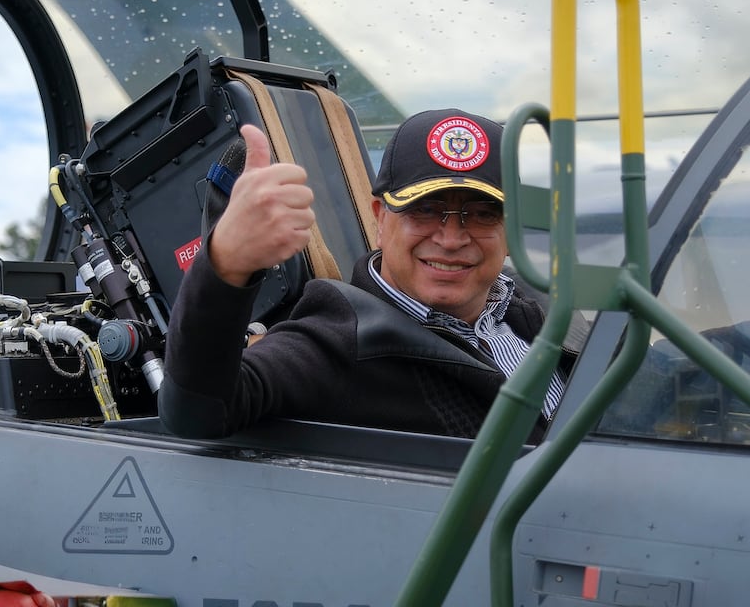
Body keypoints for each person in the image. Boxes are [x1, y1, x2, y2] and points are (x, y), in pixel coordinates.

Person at [158, 108, 575, 440]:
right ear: (380, 218)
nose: (451, 238)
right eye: (424, 210)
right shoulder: (339, 341)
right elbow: (198, 410)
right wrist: (227, 262)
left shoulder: (545, 307)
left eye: (483, 214)